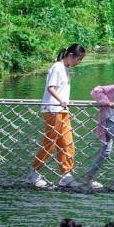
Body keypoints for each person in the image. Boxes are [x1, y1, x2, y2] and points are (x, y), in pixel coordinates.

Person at [28, 44, 86, 188]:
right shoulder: (57, 67)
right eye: (79, 59)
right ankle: (33, 172)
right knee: (50, 143)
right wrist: (61, 100)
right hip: (52, 110)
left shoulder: (66, 69)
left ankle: (66, 175)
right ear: (71, 55)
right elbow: (51, 87)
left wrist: (65, 101)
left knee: (67, 143)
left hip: (62, 111)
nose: (79, 62)